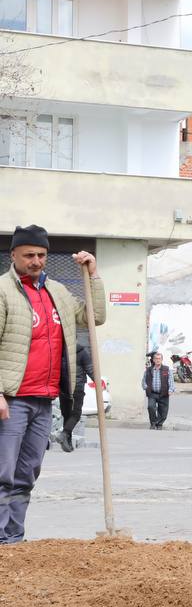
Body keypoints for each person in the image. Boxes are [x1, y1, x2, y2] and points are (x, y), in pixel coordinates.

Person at [0, 225, 105, 544]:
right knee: (3, 475)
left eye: (41, 255)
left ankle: (13, 538)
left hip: (44, 401)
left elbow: (93, 317)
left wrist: (93, 276)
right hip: (12, 399)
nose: (36, 261)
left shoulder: (56, 291)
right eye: (29, 254)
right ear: (13, 255)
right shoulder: (3, 291)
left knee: (26, 474)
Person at [54, 342, 94, 450]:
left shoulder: (59, 351)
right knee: (76, 414)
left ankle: (68, 443)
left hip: (64, 387)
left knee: (67, 415)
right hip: (77, 387)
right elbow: (90, 369)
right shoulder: (82, 352)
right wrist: (97, 381)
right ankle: (65, 434)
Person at [142, 350, 175, 429]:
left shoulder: (167, 370)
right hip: (152, 393)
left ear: (162, 360)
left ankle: (159, 424)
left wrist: (171, 390)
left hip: (163, 393)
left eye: (159, 358)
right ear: (153, 360)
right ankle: (153, 423)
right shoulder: (149, 370)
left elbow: (171, 381)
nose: (157, 360)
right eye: (156, 358)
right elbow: (144, 380)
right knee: (151, 407)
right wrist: (146, 387)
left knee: (163, 410)